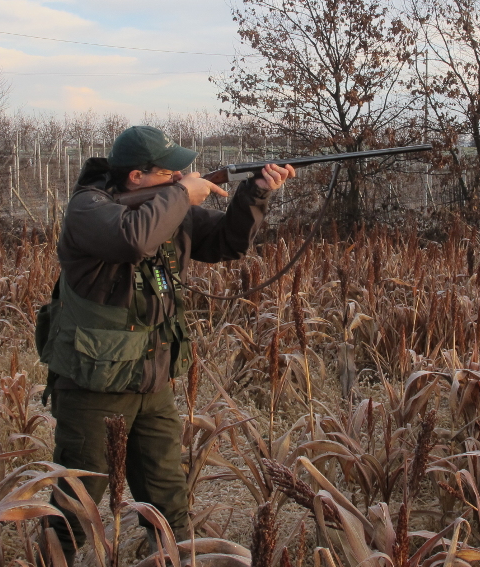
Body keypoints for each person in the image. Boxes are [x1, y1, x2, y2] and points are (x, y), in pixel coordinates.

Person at [36, 125, 294, 565]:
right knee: (75, 508)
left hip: (152, 381)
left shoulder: (165, 209)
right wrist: (180, 197)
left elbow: (227, 243)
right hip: (94, 387)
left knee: (169, 506)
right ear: (136, 177)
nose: (180, 177)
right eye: (169, 172)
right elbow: (132, 238)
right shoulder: (88, 209)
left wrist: (255, 194)